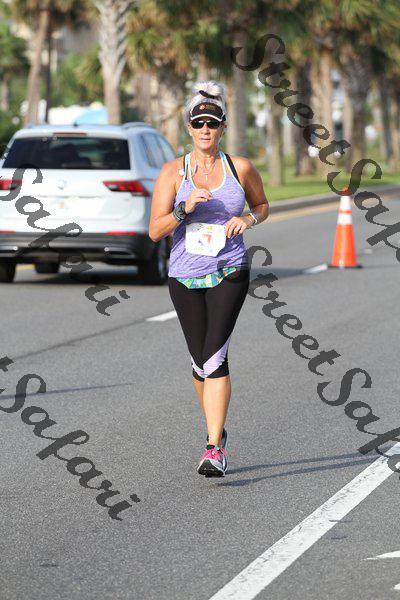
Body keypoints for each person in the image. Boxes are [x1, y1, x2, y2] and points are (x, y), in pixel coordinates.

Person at [149, 80, 269, 477]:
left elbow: (262, 205)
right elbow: (155, 231)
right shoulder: (173, 173)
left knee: (216, 357)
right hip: (184, 275)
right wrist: (183, 209)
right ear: (188, 127)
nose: (205, 129)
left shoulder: (240, 168)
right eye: (198, 123)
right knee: (199, 362)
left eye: (212, 123)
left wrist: (246, 219)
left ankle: (213, 447)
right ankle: (216, 428)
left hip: (230, 270)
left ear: (223, 127)